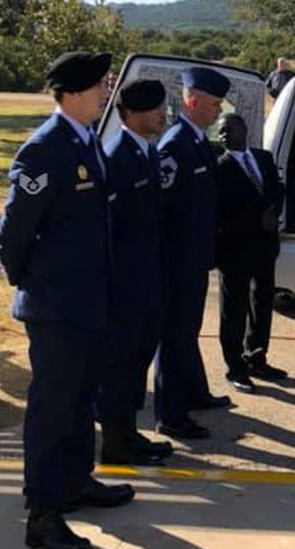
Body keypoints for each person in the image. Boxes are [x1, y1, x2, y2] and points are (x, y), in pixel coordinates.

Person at [0, 51, 135, 549]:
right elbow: (13, 236)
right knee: (53, 408)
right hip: (56, 307)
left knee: (80, 400)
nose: (106, 92)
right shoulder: (44, 149)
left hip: (88, 301)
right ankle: (43, 513)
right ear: (72, 93)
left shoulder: (87, 141)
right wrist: (35, 288)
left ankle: (76, 483)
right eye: (100, 85)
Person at [97, 78, 174, 465]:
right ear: (130, 113)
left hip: (146, 278)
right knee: (120, 364)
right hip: (124, 283)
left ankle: (128, 432)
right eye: (154, 109)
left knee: (137, 358)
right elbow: (110, 229)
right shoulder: (116, 155)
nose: (162, 114)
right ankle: (114, 444)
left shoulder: (147, 151)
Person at [153, 66, 232, 440]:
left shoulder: (197, 140)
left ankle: (194, 393)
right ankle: (171, 414)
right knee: (174, 335)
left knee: (189, 330)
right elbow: (162, 211)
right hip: (177, 260)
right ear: (193, 99)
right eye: (215, 103)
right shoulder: (174, 144)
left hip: (195, 256)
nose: (220, 111)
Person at [215, 113, 287, 393]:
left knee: (262, 302)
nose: (223, 135)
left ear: (244, 130)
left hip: (266, 245)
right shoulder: (219, 167)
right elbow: (219, 211)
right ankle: (235, 367)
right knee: (234, 310)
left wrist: (273, 211)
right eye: (220, 131)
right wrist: (255, 220)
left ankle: (257, 357)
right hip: (235, 247)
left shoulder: (264, 158)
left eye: (228, 129)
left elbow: (277, 190)